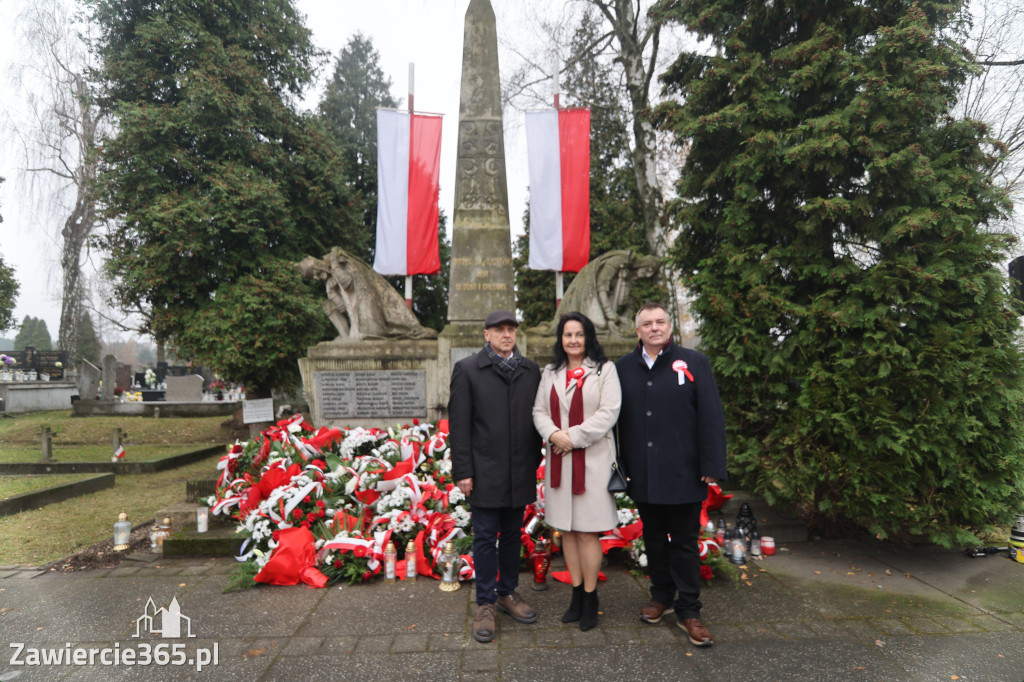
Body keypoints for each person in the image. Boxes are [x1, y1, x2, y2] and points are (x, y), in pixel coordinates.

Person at [615, 302, 727, 647]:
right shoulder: (621, 369)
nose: (654, 328)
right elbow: (615, 422)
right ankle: (661, 596)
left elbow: (710, 416)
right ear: (637, 331)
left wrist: (712, 466)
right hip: (643, 474)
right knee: (653, 539)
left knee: (683, 542)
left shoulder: (694, 363)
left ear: (669, 326)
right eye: (646, 323)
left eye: (660, 321)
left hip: (683, 473)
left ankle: (689, 610)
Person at [448, 310, 543, 643]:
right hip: (485, 471)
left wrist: (536, 460)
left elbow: (538, 418)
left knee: (513, 536)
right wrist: (463, 471)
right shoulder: (468, 370)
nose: (506, 334)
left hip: (519, 470)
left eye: (511, 329)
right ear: (486, 334)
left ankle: (508, 592)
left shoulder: (530, 370)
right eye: (499, 330)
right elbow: (458, 426)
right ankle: (486, 602)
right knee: (486, 537)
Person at [532, 312, 621, 631]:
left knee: (586, 531)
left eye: (579, 334)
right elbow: (539, 410)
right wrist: (554, 435)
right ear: (561, 339)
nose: (573, 340)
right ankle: (575, 594)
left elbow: (608, 413)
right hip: (560, 463)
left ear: (588, 337)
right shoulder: (551, 371)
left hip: (593, 461)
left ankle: (590, 597)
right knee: (566, 531)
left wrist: (571, 437)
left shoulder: (604, 370)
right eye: (567, 335)